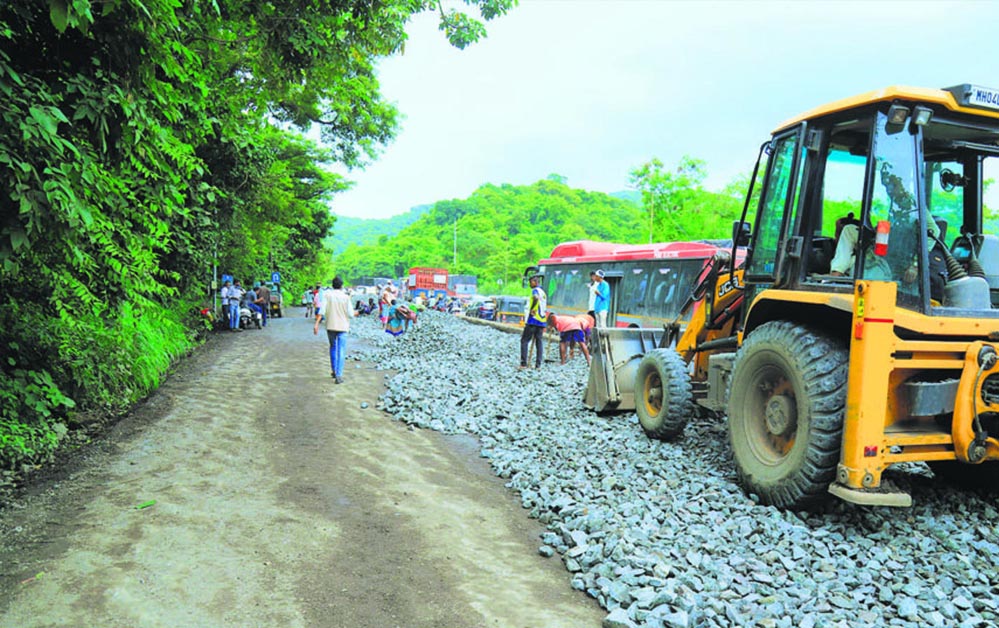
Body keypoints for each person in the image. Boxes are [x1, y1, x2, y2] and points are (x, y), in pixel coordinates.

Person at [313, 276, 354, 383]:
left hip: (330, 325)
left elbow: (321, 311)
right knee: (341, 350)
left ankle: (334, 371)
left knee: (333, 347)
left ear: (332, 285)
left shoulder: (327, 295)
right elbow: (351, 314)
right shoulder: (346, 297)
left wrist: (316, 324)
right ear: (341, 285)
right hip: (343, 327)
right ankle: (339, 375)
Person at [519, 273, 547, 369]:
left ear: (535, 282)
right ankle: (538, 365)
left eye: (531, 282)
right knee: (539, 342)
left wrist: (532, 309)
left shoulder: (535, 291)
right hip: (542, 320)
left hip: (533, 319)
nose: (530, 284)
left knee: (524, 340)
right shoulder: (543, 293)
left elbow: (535, 298)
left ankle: (523, 363)